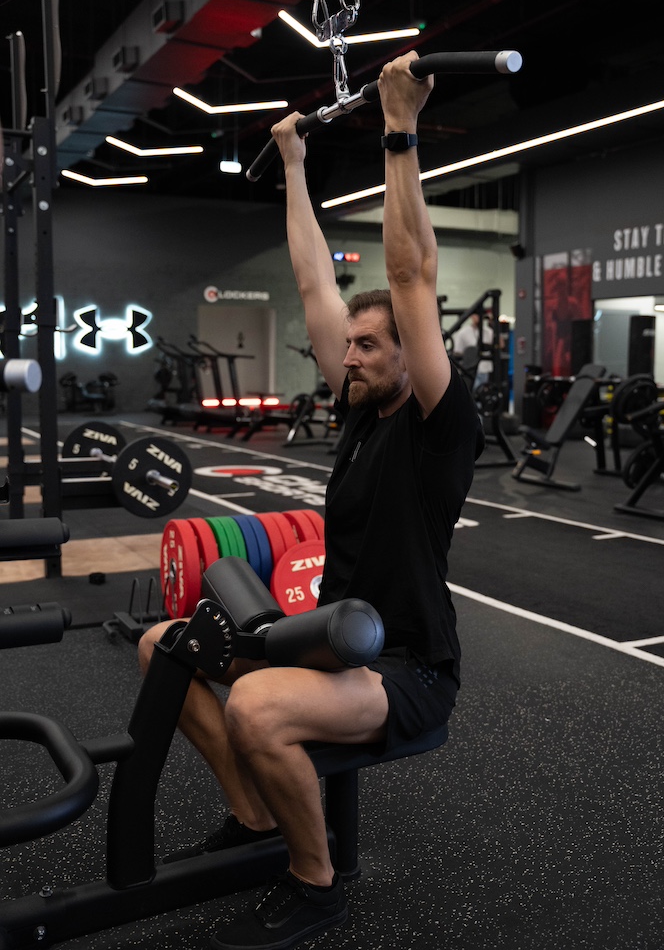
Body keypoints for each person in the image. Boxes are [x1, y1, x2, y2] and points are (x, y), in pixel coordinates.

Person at [138, 51, 482, 950]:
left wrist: (398, 130)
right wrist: (292, 165)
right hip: (337, 639)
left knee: (255, 709)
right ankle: (257, 818)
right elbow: (311, 284)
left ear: (410, 355)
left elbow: (410, 278)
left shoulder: (434, 425)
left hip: (406, 669)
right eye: (353, 346)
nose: (352, 356)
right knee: (160, 649)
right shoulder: (362, 409)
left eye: (371, 346)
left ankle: (315, 880)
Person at [452, 311, 494, 391]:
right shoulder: (463, 333)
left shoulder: (489, 332)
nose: (478, 317)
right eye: (476, 315)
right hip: (469, 371)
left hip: (485, 370)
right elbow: (457, 352)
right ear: (472, 316)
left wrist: (492, 323)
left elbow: (501, 345)